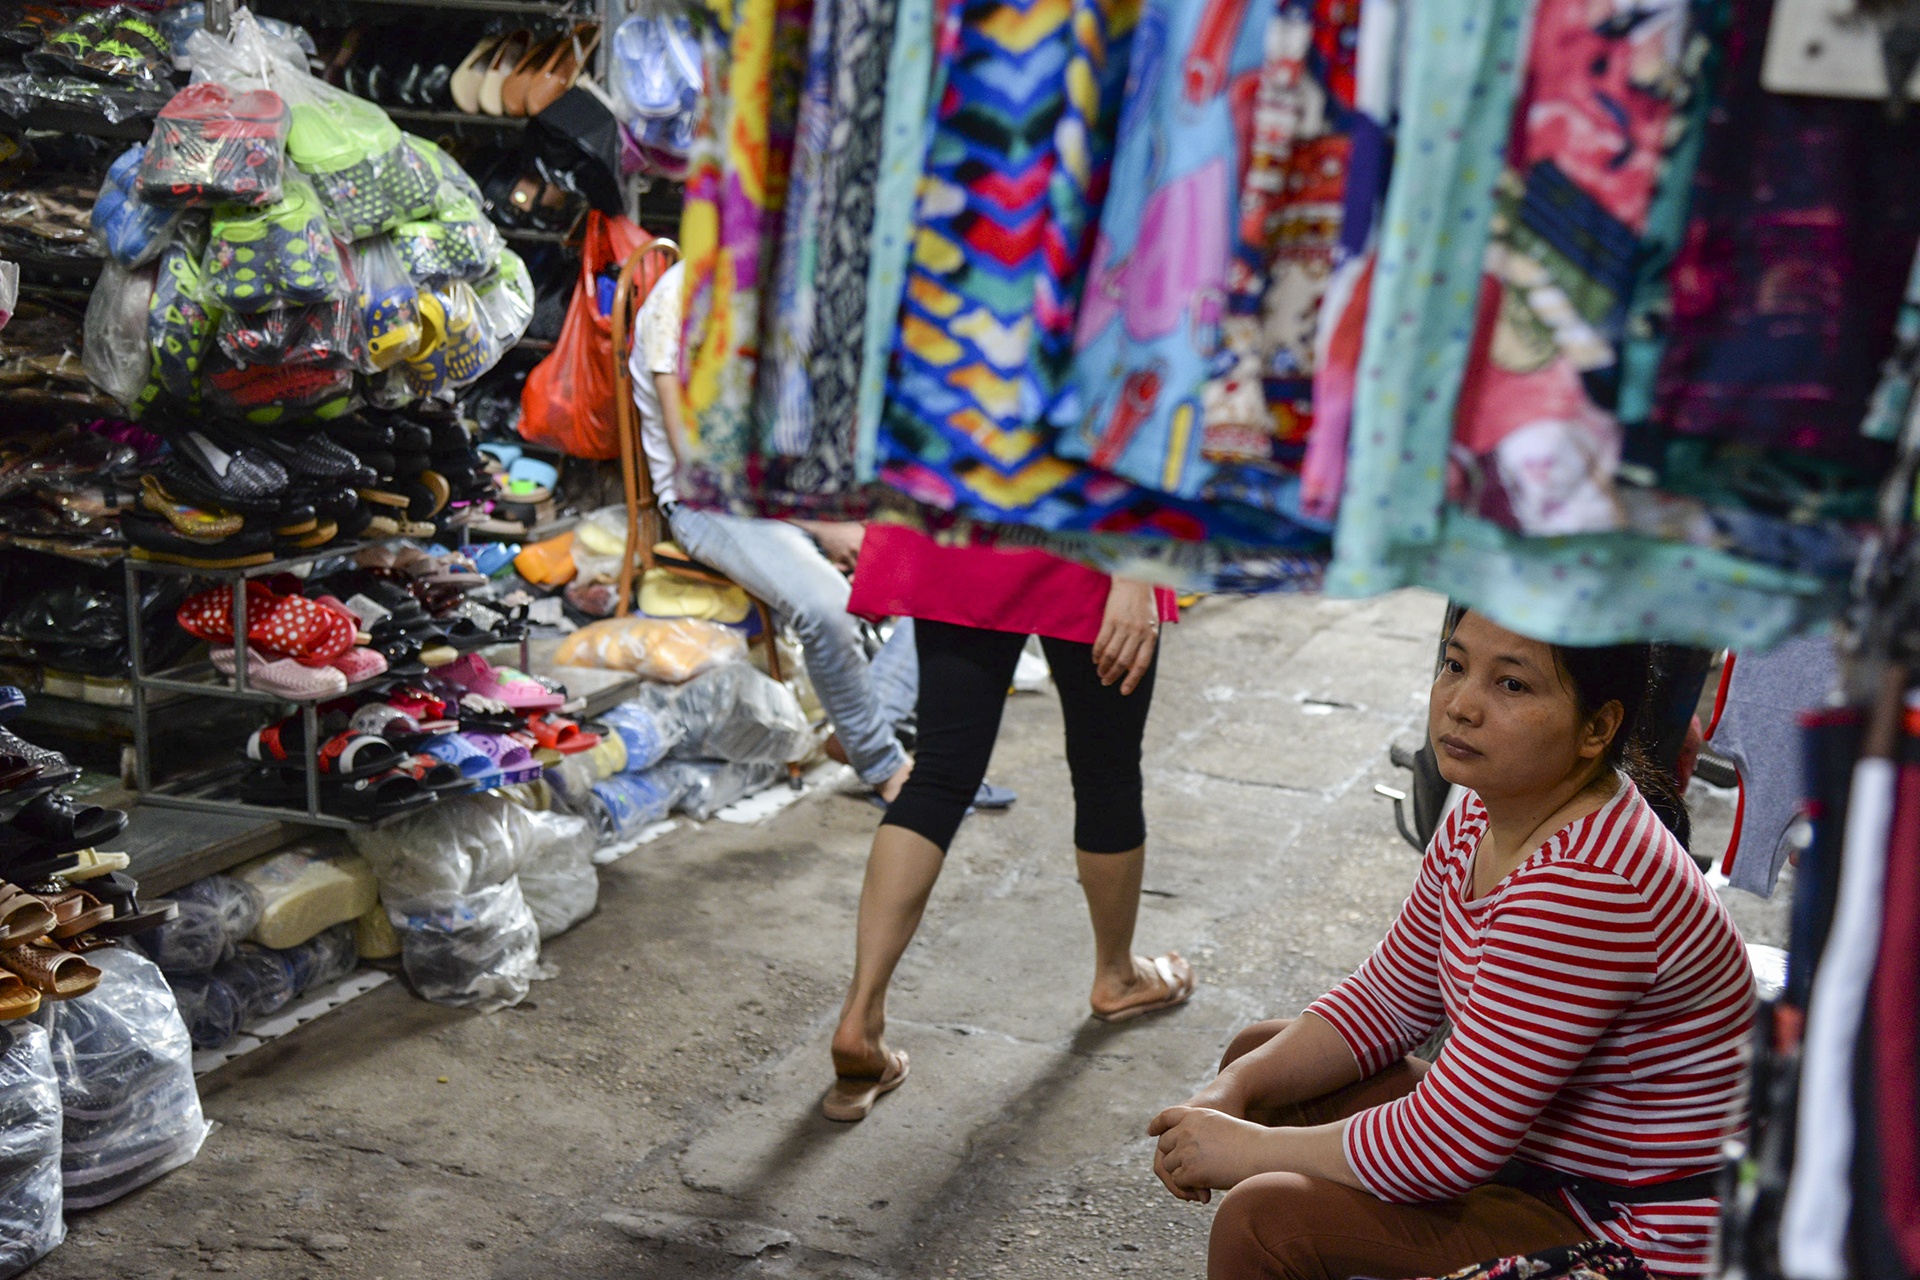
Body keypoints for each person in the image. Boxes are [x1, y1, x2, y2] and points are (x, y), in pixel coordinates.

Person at [1148, 609, 1753, 1280]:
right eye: (1455, 665)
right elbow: (1389, 998)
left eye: (1513, 685)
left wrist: (1251, 1151)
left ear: (1597, 727)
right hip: (1536, 1157)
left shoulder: (1590, 884)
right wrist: (1228, 1095)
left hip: (1632, 1224)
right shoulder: (1488, 803)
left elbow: (1446, 1145)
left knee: (1266, 1223)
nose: (1461, 705)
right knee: (1260, 1060)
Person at [821, 524, 1198, 1121]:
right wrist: (1135, 575)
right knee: (1107, 771)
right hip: (1086, 538)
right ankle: (1118, 977)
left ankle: (859, 1019)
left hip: (968, 520)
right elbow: (1136, 434)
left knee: (940, 774)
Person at [631, 263, 1000, 808]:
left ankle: (864, 726)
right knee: (827, 607)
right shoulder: (684, 295)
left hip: (790, 498)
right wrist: (824, 527)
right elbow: (701, 464)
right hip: (712, 504)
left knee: (956, 568)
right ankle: (885, 764)